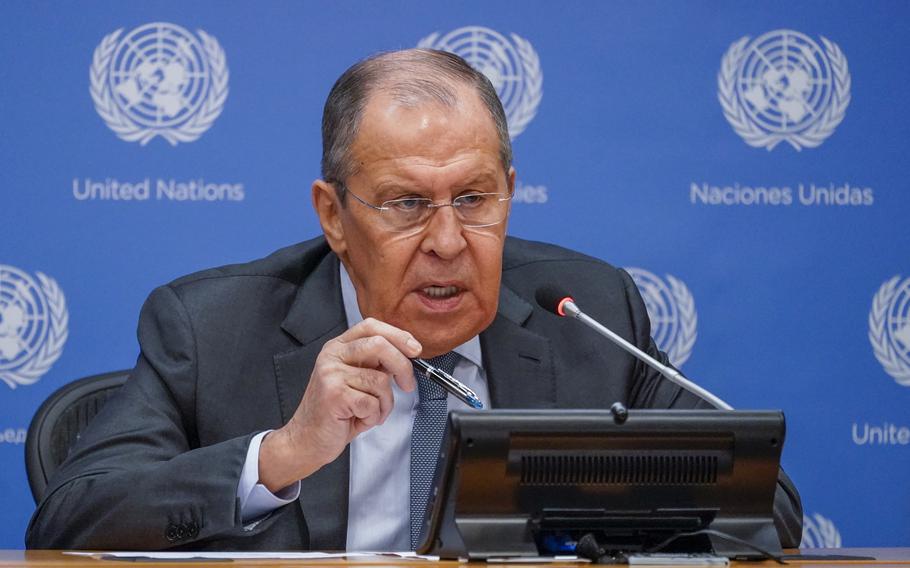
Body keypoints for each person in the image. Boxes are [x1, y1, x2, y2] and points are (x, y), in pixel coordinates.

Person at [27, 49, 802, 551]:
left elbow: (766, 516)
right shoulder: (209, 327)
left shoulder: (587, 312)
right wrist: (286, 451)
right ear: (333, 215)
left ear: (511, 193)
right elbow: (70, 519)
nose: (447, 240)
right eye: (405, 204)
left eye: (474, 198)